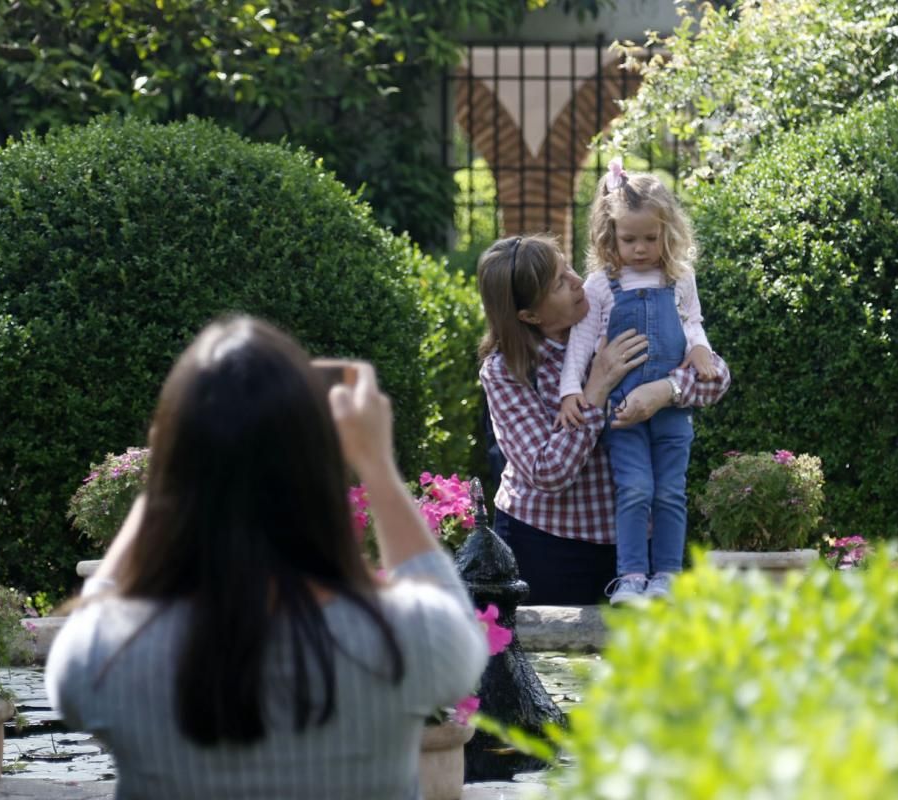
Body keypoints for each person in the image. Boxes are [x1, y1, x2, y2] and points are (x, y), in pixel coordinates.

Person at [46, 316, 488, 799]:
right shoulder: (407, 638)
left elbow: (98, 606)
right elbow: (449, 612)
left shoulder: (108, 654)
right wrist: (377, 467)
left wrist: (167, 473)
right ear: (317, 466)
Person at [477, 232, 730, 606]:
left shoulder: (616, 320)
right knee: (553, 662)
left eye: (569, 269)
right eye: (560, 284)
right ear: (529, 315)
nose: (579, 282)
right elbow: (548, 471)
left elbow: (716, 376)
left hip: (636, 549)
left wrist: (665, 391)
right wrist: (596, 388)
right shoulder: (505, 371)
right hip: (547, 546)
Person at [555, 159, 725, 604]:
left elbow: (692, 324)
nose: (641, 249)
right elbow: (582, 342)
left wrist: (701, 351)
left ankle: (666, 575)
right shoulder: (600, 285)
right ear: (610, 236)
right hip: (622, 412)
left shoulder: (679, 278)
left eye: (651, 238)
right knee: (634, 489)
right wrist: (570, 390)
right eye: (629, 239)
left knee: (670, 491)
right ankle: (630, 576)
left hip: (673, 413)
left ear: (668, 234)